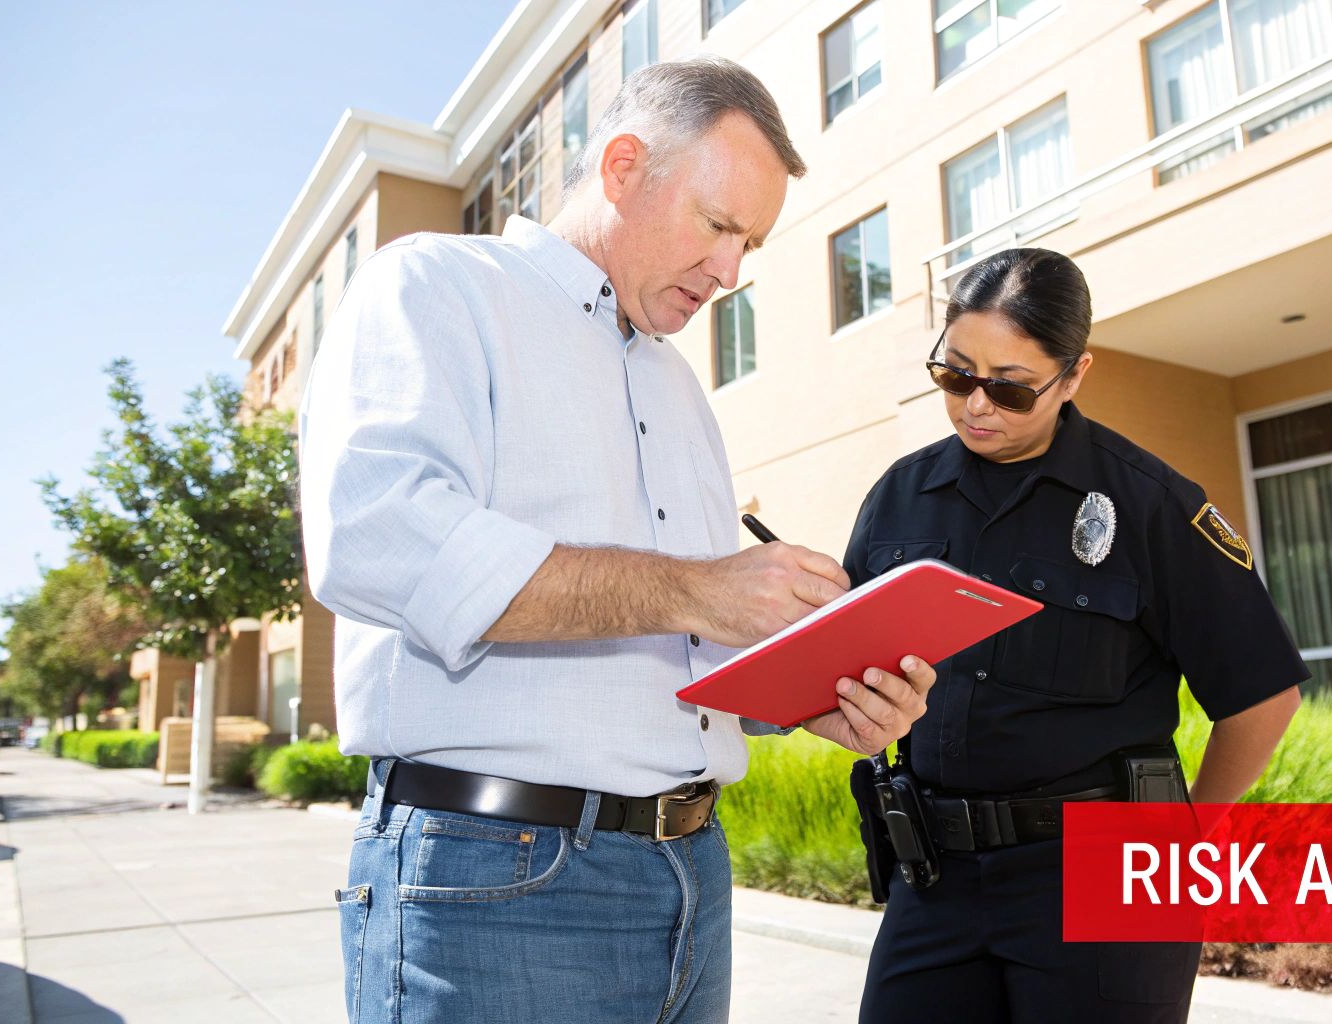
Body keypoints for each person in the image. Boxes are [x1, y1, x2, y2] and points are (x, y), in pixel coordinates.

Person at [299, 57, 936, 1024]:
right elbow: (380, 536)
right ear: (624, 166)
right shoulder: (435, 285)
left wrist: (818, 696)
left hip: (691, 875)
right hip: (497, 884)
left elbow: (688, 646)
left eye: (751, 244)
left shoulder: (683, 391)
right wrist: (693, 589)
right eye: (719, 226)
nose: (730, 272)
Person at [844, 248, 1305, 1023]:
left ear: (1074, 375)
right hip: (936, 877)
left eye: (1011, 387)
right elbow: (850, 662)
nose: (976, 406)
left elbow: (1263, 691)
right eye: (955, 375)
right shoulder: (900, 497)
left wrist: (1190, 841)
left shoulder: (1151, 505)